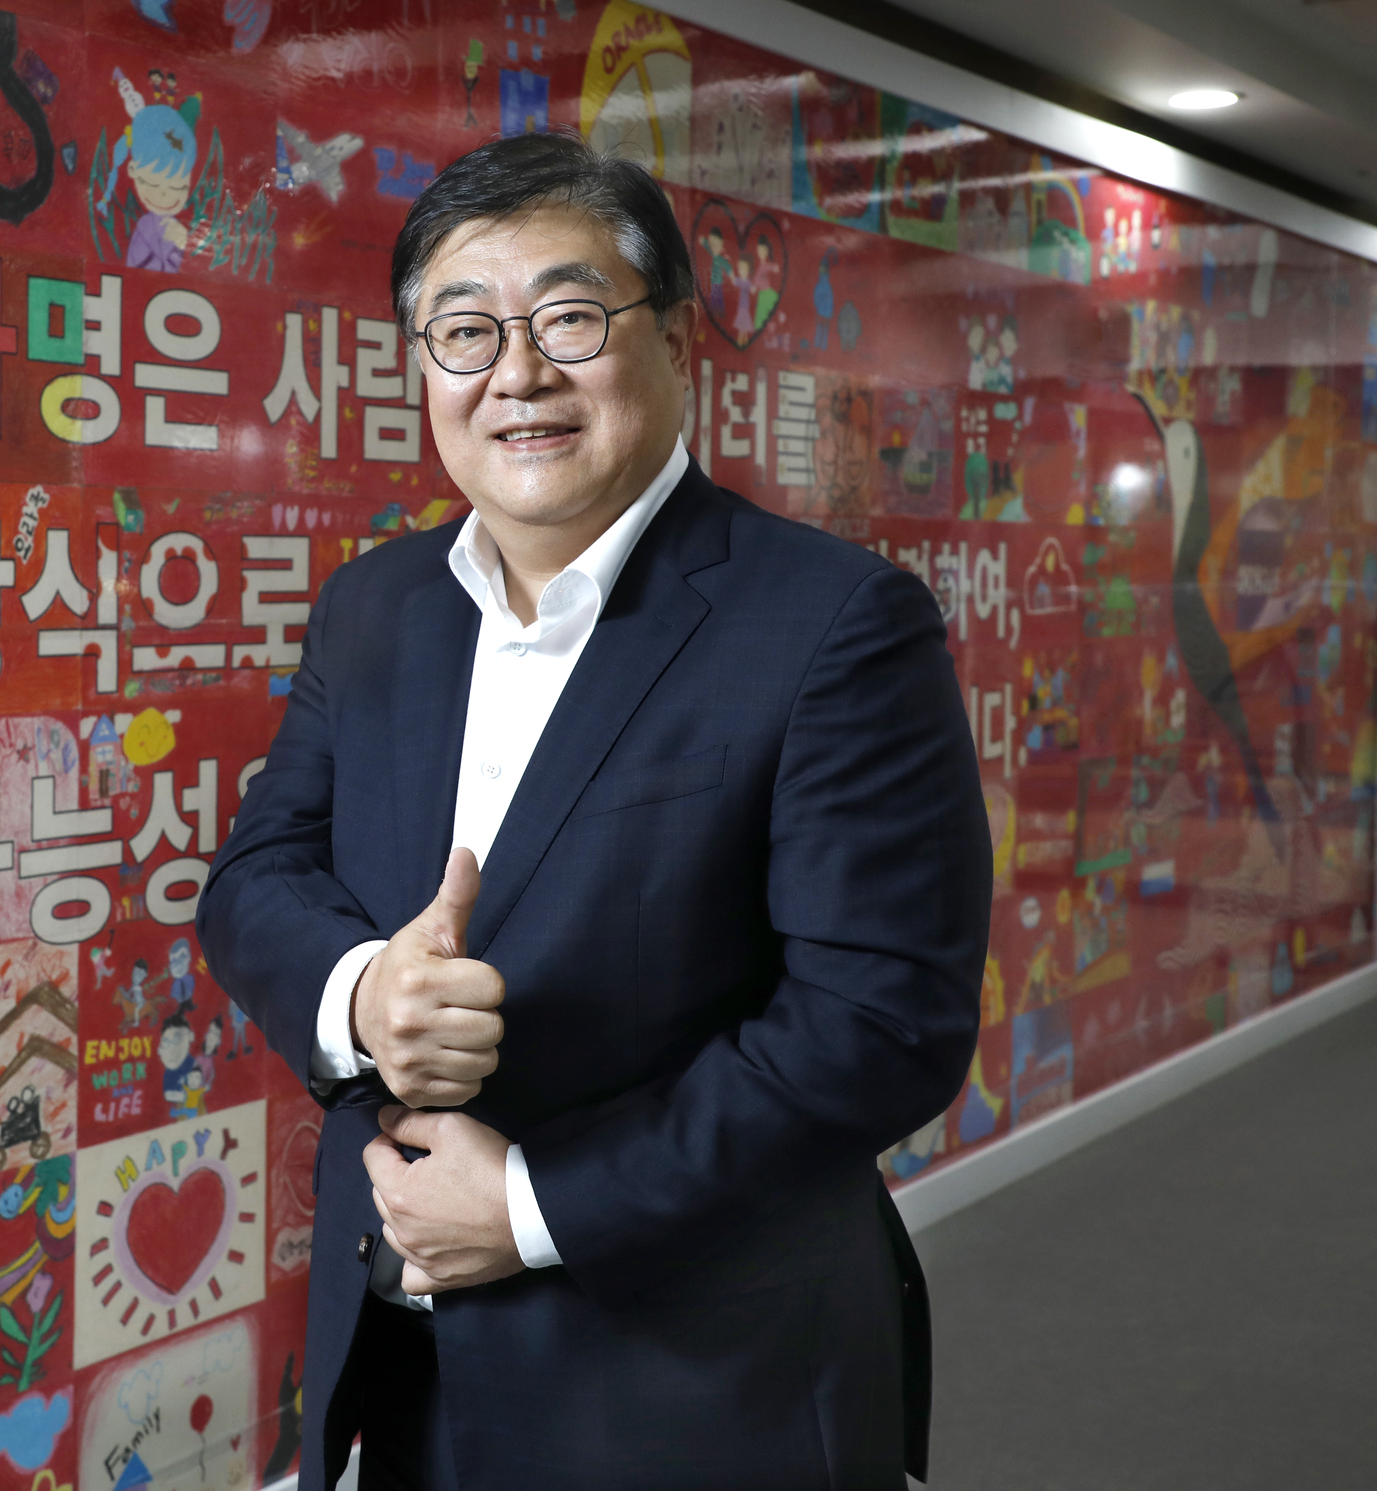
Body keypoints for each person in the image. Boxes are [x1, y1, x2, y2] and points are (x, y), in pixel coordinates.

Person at [199, 132, 990, 1491]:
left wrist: (528, 1207)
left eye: (569, 317)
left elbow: (876, 1026)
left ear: (679, 338)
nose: (517, 373)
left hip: (693, 1382)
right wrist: (361, 995)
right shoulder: (376, 605)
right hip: (408, 1353)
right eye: (463, 330)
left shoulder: (833, 624)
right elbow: (259, 873)